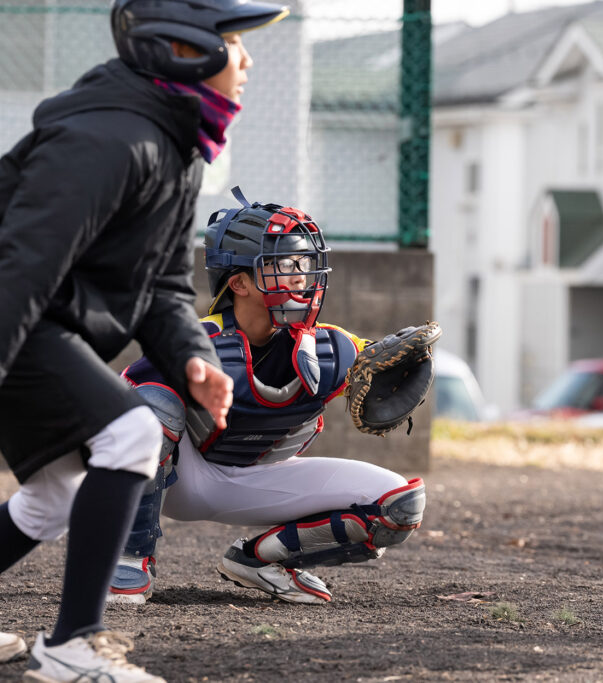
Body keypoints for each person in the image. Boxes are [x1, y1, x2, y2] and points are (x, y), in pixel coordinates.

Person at [0, 1, 289, 680]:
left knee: (57, 496)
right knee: (131, 434)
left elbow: (160, 284)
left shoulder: (178, 137)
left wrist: (193, 358)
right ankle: (72, 646)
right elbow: (23, 262)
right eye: (232, 41)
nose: (246, 59)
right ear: (183, 50)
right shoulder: (111, 137)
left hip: (38, 309)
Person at [108, 189, 427, 606]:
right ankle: (129, 558)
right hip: (181, 482)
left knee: (399, 505)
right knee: (146, 413)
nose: (300, 276)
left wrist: (400, 375)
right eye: (283, 265)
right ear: (238, 282)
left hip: (261, 480)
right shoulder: (195, 341)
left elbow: (382, 367)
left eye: (305, 263)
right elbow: (117, 417)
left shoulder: (335, 347)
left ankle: (260, 560)